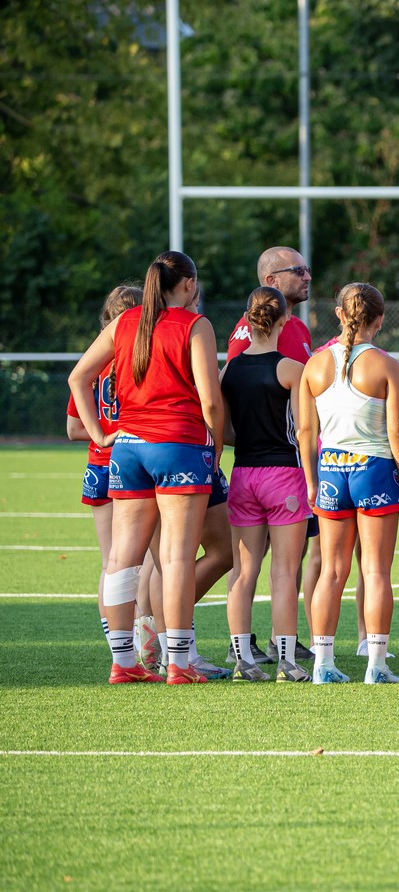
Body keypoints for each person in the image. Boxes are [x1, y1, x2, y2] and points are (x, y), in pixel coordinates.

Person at [68, 251, 224, 684]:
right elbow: (210, 399)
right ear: (188, 284)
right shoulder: (196, 325)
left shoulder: (124, 322)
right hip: (178, 446)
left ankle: (123, 663)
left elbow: (77, 377)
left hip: (128, 449)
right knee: (175, 557)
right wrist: (216, 443)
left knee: (122, 558)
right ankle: (178, 663)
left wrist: (100, 436)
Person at [297, 283, 399, 685]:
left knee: (331, 570)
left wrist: (312, 481)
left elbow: (304, 431)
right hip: (374, 467)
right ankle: (376, 665)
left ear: (339, 315)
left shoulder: (313, 365)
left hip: (331, 468)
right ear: (379, 320)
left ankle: (322, 664)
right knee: (377, 570)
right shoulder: (385, 364)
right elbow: (397, 431)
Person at [226, 245, 316, 664]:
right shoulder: (292, 368)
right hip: (284, 475)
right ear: (282, 319)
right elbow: (304, 428)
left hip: (242, 473)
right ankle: (287, 658)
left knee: (244, 572)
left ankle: (241, 654)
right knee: (284, 571)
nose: (307, 276)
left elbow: (222, 423)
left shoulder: (231, 369)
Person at [65, 285, 142, 653]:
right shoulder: (137, 357)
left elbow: (73, 428)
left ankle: (117, 645)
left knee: (111, 560)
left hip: (98, 465)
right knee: (144, 561)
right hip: (133, 466)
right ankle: (144, 640)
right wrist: (118, 434)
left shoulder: (91, 362)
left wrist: (102, 435)